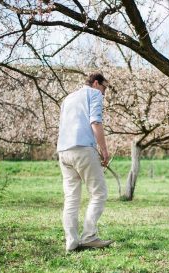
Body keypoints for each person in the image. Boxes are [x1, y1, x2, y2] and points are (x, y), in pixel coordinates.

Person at [57, 72, 113, 252]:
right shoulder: (94, 94)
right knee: (99, 193)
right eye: (104, 88)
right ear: (96, 83)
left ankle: (71, 242)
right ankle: (89, 236)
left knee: (71, 198)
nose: (104, 93)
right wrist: (104, 150)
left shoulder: (68, 98)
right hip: (82, 149)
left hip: (64, 151)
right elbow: (95, 122)